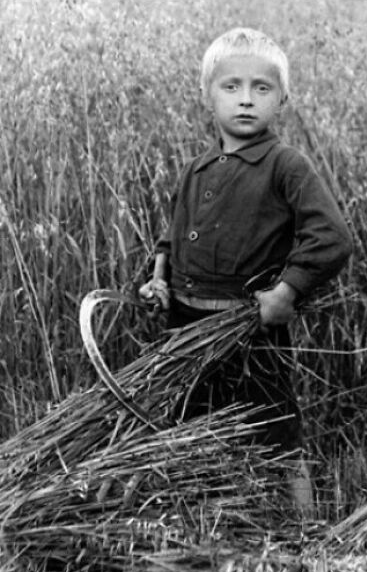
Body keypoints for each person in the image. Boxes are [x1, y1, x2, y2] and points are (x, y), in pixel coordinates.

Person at [139, 27, 352, 518]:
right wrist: (158, 280)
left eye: (262, 88)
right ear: (206, 96)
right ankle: (209, 525)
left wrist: (287, 291)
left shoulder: (285, 165)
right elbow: (171, 238)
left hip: (251, 330)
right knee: (191, 431)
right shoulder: (196, 169)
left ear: (283, 99)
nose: (246, 100)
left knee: (276, 433)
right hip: (187, 329)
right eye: (230, 87)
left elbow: (332, 238)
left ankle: (303, 534)